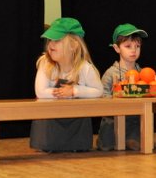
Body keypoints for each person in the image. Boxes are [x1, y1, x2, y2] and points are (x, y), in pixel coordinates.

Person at [30, 17, 103, 152]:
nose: (51, 45)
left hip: (77, 125)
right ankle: (48, 144)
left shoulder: (85, 68)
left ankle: (77, 144)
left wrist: (75, 91)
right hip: (50, 124)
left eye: (57, 40)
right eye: (50, 40)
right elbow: (40, 91)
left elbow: (98, 90)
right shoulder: (45, 64)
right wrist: (62, 93)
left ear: (74, 45)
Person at [98, 23, 148, 151]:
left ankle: (131, 139)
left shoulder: (143, 73)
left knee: (137, 141)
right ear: (117, 48)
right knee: (107, 145)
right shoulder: (111, 73)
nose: (134, 50)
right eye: (128, 46)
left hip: (134, 119)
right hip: (113, 118)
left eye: (137, 46)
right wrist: (113, 99)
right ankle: (107, 139)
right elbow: (102, 95)